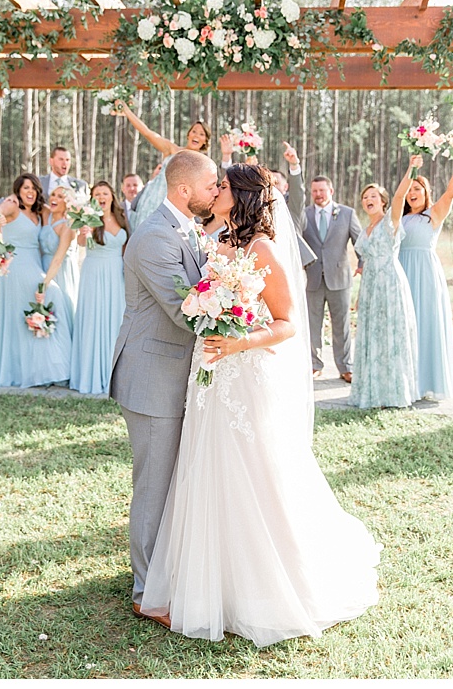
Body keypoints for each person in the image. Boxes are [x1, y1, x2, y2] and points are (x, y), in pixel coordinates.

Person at [139, 163, 381, 645]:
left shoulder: (263, 249)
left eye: (223, 185)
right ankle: (209, 583)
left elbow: (289, 323)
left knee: (256, 473)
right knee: (206, 471)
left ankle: (264, 586)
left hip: (244, 374)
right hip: (209, 377)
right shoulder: (213, 239)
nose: (216, 190)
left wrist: (238, 343)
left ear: (243, 195)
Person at [110, 149, 219, 620]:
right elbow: (185, 308)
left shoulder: (186, 227)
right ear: (184, 190)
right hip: (152, 374)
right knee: (153, 485)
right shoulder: (155, 237)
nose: (216, 190)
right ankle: (145, 593)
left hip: (174, 371)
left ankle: (161, 571)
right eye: (212, 183)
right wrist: (246, 323)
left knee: (171, 479)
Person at [0, 174, 74, 388]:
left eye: (33, 188)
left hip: (35, 264)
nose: (30, 192)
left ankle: (43, 369)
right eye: (25, 188)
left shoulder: (38, 212)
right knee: (50, 297)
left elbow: (61, 208)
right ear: (18, 191)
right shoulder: (12, 206)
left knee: (30, 316)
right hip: (16, 267)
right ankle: (36, 370)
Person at [349, 163, 421, 409]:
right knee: (372, 336)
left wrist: (410, 167)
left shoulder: (390, 223)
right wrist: (359, 296)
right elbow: (365, 263)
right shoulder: (364, 230)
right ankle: (373, 392)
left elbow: (400, 196)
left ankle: (393, 393)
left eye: (373, 196)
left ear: (382, 202)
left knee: (391, 335)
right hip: (370, 286)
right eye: (365, 197)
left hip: (390, 281)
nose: (368, 200)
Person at [397, 155, 453, 400]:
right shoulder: (400, 217)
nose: (412, 193)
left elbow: (450, 193)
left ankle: (427, 383)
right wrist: (411, 167)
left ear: (426, 193)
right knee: (405, 326)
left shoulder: (433, 215)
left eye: (417, 189)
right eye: (409, 189)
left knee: (425, 324)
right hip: (402, 272)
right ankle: (406, 383)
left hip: (425, 273)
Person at [68, 182, 130, 395]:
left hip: (116, 274)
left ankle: (114, 375)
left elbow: (126, 246)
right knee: (94, 319)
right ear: (93, 198)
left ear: (112, 196)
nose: (102, 197)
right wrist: (84, 232)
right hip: (94, 273)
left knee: (115, 320)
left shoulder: (122, 217)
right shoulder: (89, 217)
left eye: (105, 193)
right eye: (97, 194)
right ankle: (92, 375)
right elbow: (81, 242)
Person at [114, 104, 213, 232]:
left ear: (205, 140)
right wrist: (126, 110)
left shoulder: (203, 163)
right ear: (188, 135)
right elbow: (147, 133)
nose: (196, 135)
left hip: (177, 204)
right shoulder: (171, 149)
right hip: (152, 200)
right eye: (194, 131)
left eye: (201, 134)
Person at [299, 173, 359, 381]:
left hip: (340, 279)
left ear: (331, 191)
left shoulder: (347, 213)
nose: (318, 194)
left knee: (341, 325)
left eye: (322, 190)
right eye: (314, 191)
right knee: (313, 325)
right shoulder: (304, 214)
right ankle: (315, 365)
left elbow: (359, 242)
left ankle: (345, 366)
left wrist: (363, 263)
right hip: (313, 279)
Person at [0, 147, 86, 218]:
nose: (65, 163)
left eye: (67, 160)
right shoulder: (37, 182)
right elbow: (11, 200)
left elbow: (87, 209)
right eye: (61, 159)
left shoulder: (81, 185)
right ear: (51, 161)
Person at [39, 186, 84, 302]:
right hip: (42, 267)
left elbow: (58, 259)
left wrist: (43, 285)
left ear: (67, 203)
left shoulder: (67, 226)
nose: (54, 198)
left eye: (60, 196)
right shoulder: (45, 213)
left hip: (60, 272)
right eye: (53, 194)